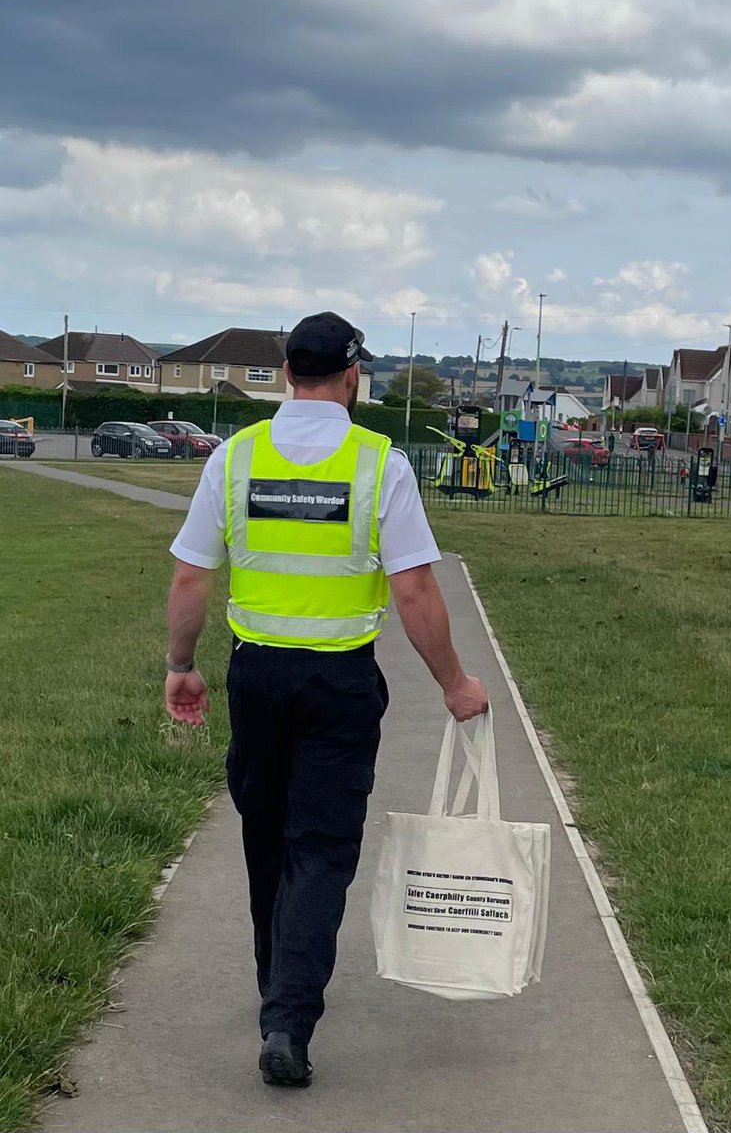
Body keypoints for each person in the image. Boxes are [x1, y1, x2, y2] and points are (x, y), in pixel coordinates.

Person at [164, 312, 488, 1089]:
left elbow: (189, 576)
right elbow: (412, 588)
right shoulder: (380, 462)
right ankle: (289, 1019)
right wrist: (454, 682)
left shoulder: (237, 456)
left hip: (256, 676)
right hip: (339, 682)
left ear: (283, 373)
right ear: (351, 377)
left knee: (267, 836)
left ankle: (276, 989)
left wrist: (182, 665)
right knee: (321, 847)